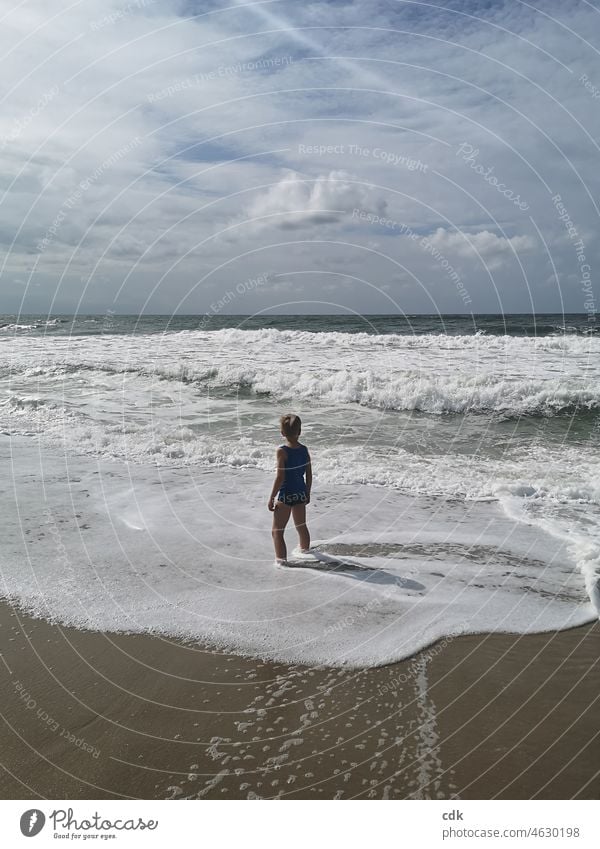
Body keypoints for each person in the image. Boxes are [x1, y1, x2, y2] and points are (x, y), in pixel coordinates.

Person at [268, 413, 312, 566]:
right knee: (301, 526)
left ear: (282, 433)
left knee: (277, 531)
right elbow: (309, 474)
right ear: (299, 431)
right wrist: (307, 492)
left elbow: (280, 478)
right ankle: (306, 552)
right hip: (300, 493)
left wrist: (272, 497)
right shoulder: (304, 450)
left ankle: (281, 561)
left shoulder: (282, 451)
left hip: (286, 495)